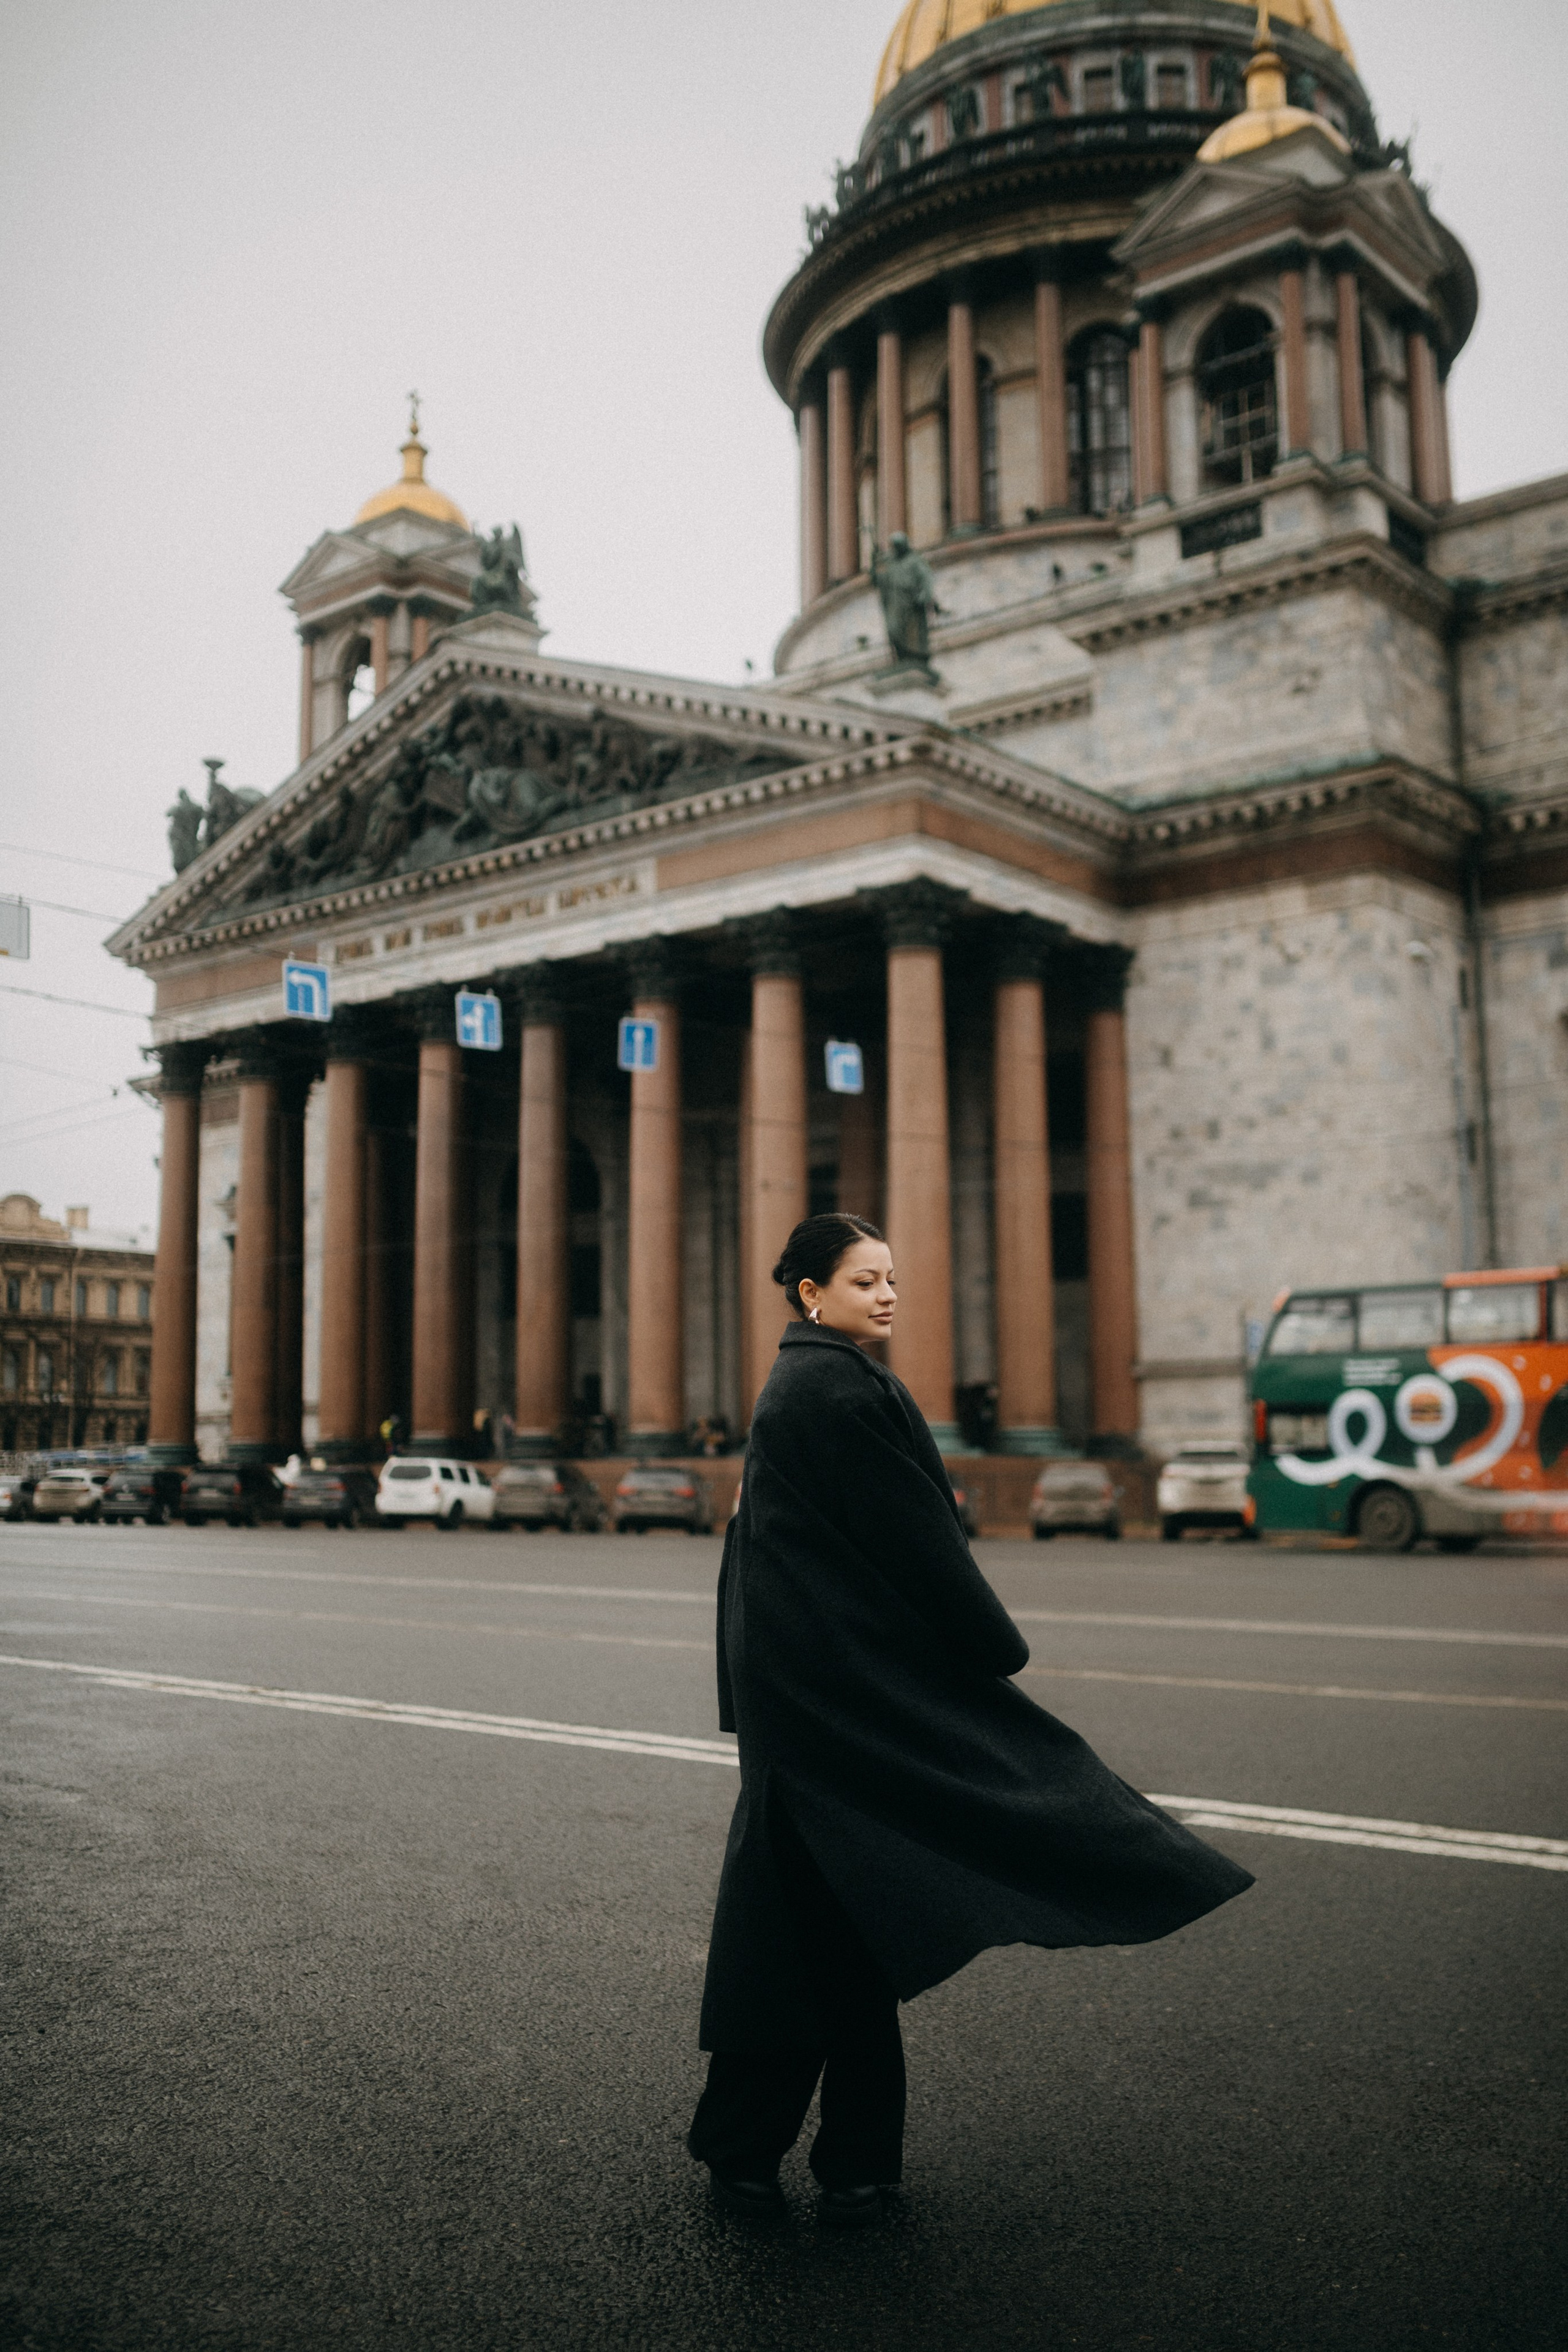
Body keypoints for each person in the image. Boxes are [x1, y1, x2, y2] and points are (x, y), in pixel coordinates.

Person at [687, 1213, 1253, 2229]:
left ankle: (784, 2159)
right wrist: (994, 1648)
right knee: (833, 1940)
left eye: (891, 1278)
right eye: (865, 1281)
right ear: (811, 1293)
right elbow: (919, 1542)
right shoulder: (839, 1390)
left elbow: (758, 1565)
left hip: (805, 1712)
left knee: (818, 1941)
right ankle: (822, 2164)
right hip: (842, 1720)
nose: (887, 1295)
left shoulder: (798, 1387)